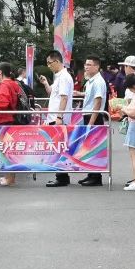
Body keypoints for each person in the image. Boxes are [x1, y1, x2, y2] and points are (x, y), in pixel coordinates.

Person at [0, 62, 25, 187]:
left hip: (5, 120)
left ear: (0, 72)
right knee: (9, 149)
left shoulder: (4, 85)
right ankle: (10, 177)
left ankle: (9, 178)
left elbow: (3, 103)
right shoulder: (14, 83)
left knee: (5, 150)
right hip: (12, 119)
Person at [44, 51, 75, 188]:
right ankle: (62, 176)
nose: (48, 66)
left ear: (57, 61)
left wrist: (59, 117)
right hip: (56, 117)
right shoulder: (60, 77)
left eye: (49, 63)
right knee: (58, 147)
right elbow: (55, 95)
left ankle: (62, 177)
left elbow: (64, 98)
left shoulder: (64, 77)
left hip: (59, 118)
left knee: (60, 147)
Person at [78, 54, 109, 187]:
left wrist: (91, 122)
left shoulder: (98, 81)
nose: (86, 67)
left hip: (94, 116)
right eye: (86, 64)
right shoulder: (91, 80)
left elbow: (98, 102)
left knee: (94, 146)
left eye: (89, 65)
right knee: (89, 146)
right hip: (89, 115)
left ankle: (96, 177)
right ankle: (91, 174)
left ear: (97, 67)